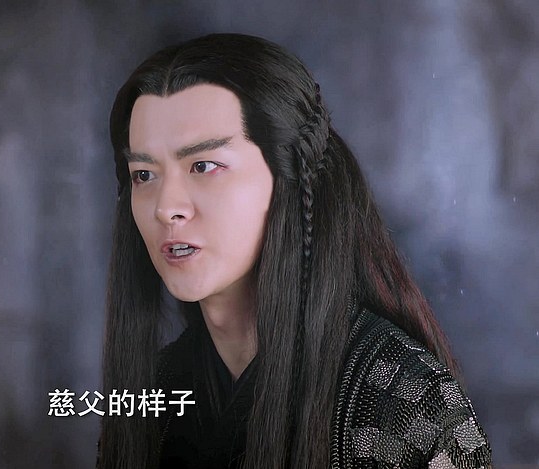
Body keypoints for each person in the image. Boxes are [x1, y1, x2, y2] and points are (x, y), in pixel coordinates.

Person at [97, 33, 492, 469]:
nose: (166, 207)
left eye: (203, 166)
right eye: (144, 175)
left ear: (288, 176)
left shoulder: (403, 400)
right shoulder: (159, 392)